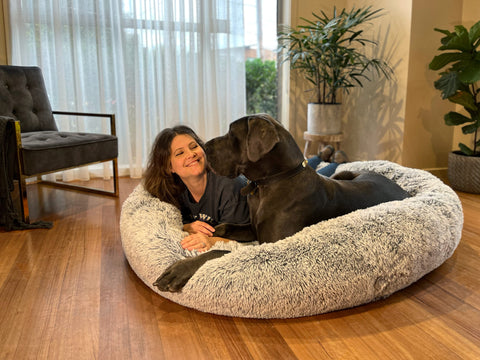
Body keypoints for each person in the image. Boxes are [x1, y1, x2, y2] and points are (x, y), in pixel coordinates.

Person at [143, 126, 250, 253]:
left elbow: (244, 241)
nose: (191, 154)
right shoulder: (173, 189)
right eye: (180, 153)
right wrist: (187, 227)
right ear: (169, 167)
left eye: (194, 147)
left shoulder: (230, 186)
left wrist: (210, 241)